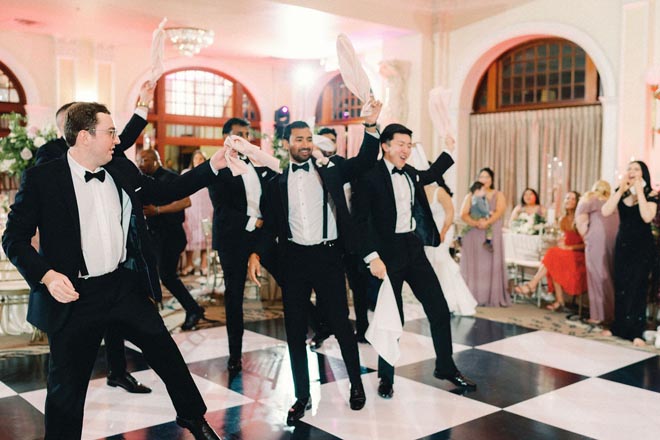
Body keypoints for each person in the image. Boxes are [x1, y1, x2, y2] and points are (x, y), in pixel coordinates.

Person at [2, 102, 226, 439]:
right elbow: (13, 239)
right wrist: (47, 276)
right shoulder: (43, 179)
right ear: (84, 137)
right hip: (75, 295)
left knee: (166, 352)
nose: (116, 139)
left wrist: (212, 166)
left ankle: (193, 417)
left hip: (122, 287)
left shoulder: (121, 169)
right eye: (109, 132)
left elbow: (166, 191)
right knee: (66, 389)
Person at [247, 101, 383, 425]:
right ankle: (301, 396)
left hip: (328, 256)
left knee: (341, 325)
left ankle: (356, 385)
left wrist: (371, 126)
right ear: (286, 144)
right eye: (299, 140)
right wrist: (255, 253)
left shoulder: (331, 169)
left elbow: (365, 160)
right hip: (294, 259)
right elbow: (271, 227)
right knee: (294, 331)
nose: (306, 144)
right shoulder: (275, 183)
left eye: (309, 139)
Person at [34, 82, 156, 395]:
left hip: (108, 266)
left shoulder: (103, 155)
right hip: (69, 265)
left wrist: (142, 107)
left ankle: (118, 371)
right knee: (68, 368)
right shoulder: (48, 157)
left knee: (116, 320)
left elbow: (122, 140)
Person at [354, 123, 476, 401]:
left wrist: (448, 148)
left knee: (439, 308)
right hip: (386, 254)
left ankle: (445, 366)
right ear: (385, 145)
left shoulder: (409, 172)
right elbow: (359, 222)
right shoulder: (369, 177)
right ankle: (386, 377)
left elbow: (431, 174)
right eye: (400, 144)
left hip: (412, 247)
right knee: (391, 316)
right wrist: (372, 257)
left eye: (409, 145)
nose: (406, 150)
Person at [207, 117, 278, 373]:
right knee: (234, 297)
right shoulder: (218, 166)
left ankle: (319, 325)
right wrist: (253, 222)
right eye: (238, 134)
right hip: (232, 239)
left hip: (259, 237)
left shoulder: (257, 165)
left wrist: (263, 225)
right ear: (226, 136)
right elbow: (222, 209)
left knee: (288, 275)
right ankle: (234, 354)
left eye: (246, 134)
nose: (243, 139)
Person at [137, 149, 212, 331]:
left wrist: (157, 210)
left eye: (144, 160)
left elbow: (186, 202)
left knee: (167, 276)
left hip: (171, 235)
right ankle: (153, 317)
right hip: (154, 235)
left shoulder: (170, 177)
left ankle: (193, 309)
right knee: (150, 276)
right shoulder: (143, 180)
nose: (140, 164)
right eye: (139, 160)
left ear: (156, 160)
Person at [601, 160, 658, 347]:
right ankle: (618, 327)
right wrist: (620, 190)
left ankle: (636, 331)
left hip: (642, 246)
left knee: (638, 286)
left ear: (643, 173)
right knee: (622, 285)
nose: (632, 172)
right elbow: (606, 210)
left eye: (636, 169)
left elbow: (647, 216)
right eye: (629, 169)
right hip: (623, 244)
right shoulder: (621, 191)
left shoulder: (651, 194)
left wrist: (640, 191)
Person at [513, 191, 587, 311]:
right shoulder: (562, 219)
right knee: (553, 258)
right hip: (565, 254)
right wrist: (561, 242)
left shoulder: (580, 218)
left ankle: (532, 285)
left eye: (573, 199)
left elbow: (586, 244)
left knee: (552, 255)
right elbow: (563, 238)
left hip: (578, 256)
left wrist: (569, 248)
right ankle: (559, 300)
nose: (569, 201)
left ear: (578, 202)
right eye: (567, 198)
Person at [425, 180, 478, 316]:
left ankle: (451, 302)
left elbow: (450, 213)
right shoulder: (420, 190)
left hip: (444, 230)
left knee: (442, 261)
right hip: (429, 234)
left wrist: (443, 232)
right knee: (434, 265)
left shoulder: (440, 191)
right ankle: (439, 300)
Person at [459, 167, 509, 307]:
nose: (484, 179)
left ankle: (489, 296)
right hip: (473, 233)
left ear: (492, 179)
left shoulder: (498, 194)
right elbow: (463, 213)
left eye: (487, 177)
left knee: (488, 265)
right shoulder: (471, 194)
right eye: (481, 177)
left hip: (492, 231)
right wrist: (476, 223)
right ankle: (471, 296)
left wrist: (486, 222)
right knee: (473, 264)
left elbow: (499, 212)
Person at [575, 180, 619, 324]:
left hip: (596, 237)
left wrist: (586, 237)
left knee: (596, 274)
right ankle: (610, 313)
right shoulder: (613, 201)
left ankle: (597, 315)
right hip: (614, 238)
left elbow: (580, 221)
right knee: (609, 275)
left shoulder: (589, 197)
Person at [182, 150, 214, 276]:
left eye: (201, 159)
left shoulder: (209, 174)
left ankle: (203, 264)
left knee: (205, 236)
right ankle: (189, 264)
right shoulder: (186, 173)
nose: (198, 161)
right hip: (191, 209)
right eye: (196, 159)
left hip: (206, 208)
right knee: (190, 236)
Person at [458, 181, 493, 251]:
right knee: (468, 227)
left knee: (467, 228)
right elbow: (483, 209)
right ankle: (488, 241)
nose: (485, 192)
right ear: (477, 191)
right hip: (476, 217)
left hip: (479, 218)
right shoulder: (477, 198)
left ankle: (459, 237)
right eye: (483, 190)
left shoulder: (480, 198)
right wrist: (488, 213)